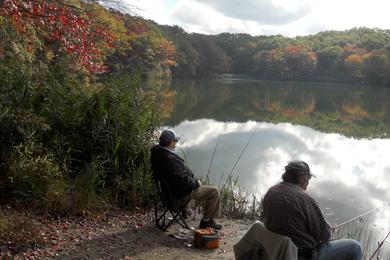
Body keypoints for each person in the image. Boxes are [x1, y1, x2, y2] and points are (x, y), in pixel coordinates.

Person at [260, 160, 363, 260]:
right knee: (355, 247)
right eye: (309, 177)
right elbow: (324, 235)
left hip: (274, 249)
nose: (309, 181)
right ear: (302, 178)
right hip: (300, 255)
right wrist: (330, 229)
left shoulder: (272, 191)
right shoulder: (304, 198)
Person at [150, 129, 222, 230]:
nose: (176, 143)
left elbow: (176, 178)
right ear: (170, 142)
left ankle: (186, 211)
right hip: (177, 198)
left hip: (168, 195)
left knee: (191, 186)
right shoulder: (169, 159)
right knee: (214, 191)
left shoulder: (156, 155)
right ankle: (206, 221)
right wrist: (196, 183)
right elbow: (182, 181)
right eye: (175, 141)